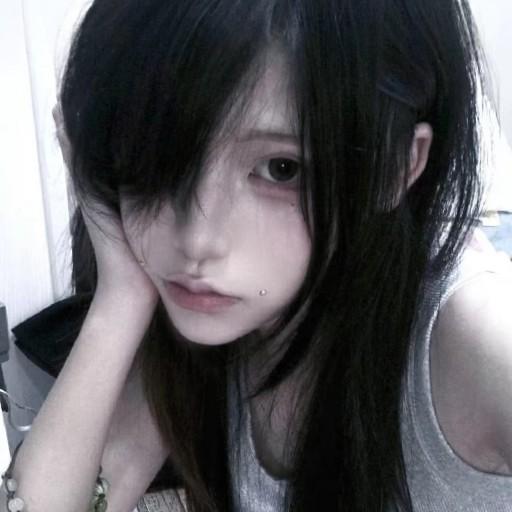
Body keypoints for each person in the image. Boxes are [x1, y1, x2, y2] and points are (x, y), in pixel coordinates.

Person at [3, 0, 512, 510]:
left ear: (395, 166)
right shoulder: (211, 327)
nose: (196, 240)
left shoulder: (477, 340)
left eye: (281, 168)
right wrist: (121, 297)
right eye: (156, 154)